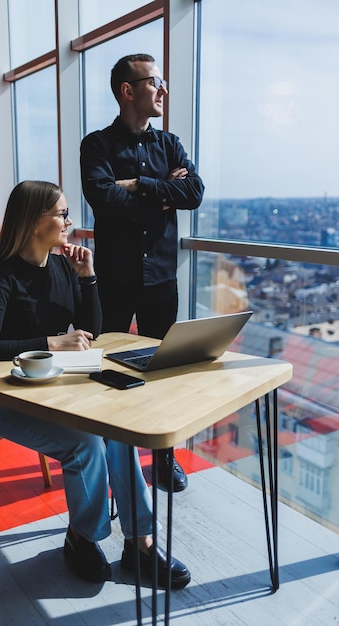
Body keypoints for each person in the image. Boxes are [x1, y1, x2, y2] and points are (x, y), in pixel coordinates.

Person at [0, 180, 191, 589]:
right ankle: (82, 537)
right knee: (86, 443)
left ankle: (140, 543)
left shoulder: (60, 267)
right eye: (61, 214)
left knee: (118, 434)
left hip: (56, 391)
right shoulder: (3, 275)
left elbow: (95, 330)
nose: (69, 222)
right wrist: (51, 343)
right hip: (2, 398)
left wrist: (88, 277)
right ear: (35, 222)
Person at [80, 53, 205, 492]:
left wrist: (138, 185)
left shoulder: (169, 143)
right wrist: (162, 193)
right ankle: (106, 459)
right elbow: (103, 198)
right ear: (128, 90)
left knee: (163, 372)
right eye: (156, 82)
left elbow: (194, 192)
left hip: (161, 281)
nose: (164, 91)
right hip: (114, 279)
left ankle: (163, 459)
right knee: (101, 370)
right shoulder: (96, 146)